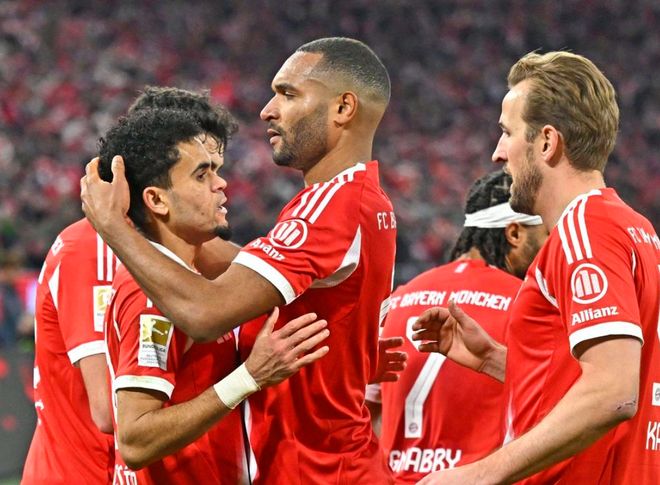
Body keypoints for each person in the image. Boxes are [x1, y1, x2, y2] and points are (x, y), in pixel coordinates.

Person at [81, 37, 396, 483]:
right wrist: (344, 361)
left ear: (343, 108)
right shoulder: (354, 200)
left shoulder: (334, 207)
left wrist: (115, 226)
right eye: (203, 173)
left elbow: (205, 312)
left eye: (288, 94)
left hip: (322, 472)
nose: (267, 110)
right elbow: (236, 267)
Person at [413, 51, 659, 484]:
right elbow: (613, 375)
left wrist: (481, 474)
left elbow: (614, 392)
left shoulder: (585, 230)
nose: (497, 154)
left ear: (547, 142)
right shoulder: (634, 228)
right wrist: (495, 360)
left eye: (507, 133)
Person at [99, 107, 329, 484]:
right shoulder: (152, 297)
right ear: (157, 200)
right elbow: (135, 440)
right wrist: (248, 377)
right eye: (202, 175)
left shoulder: (191, 281)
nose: (220, 184)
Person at [367, 169, 546, 483]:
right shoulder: (528, 304)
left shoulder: (398, 299)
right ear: (514, 233)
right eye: (545, 235)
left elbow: (367, 414)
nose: (549, 248)